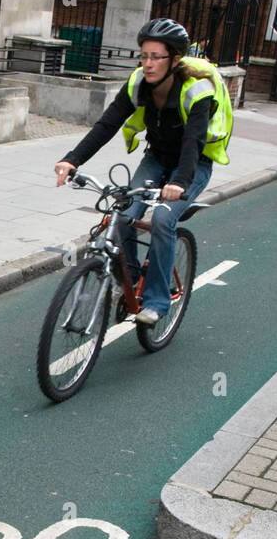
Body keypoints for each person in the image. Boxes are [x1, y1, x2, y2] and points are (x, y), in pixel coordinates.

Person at [52, 18, 231, 326]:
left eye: (156, 57)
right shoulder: (138, 83)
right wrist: (73, 159)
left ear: (174, 59)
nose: (147, 64)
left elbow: (193, 142)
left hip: (193, 164)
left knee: (162, 218)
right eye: (144, 56)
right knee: (121, 213)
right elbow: (107, 124)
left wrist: (179, 183)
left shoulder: (196, 90)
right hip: (158, 157)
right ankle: (130, 281)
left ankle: (157, 302)